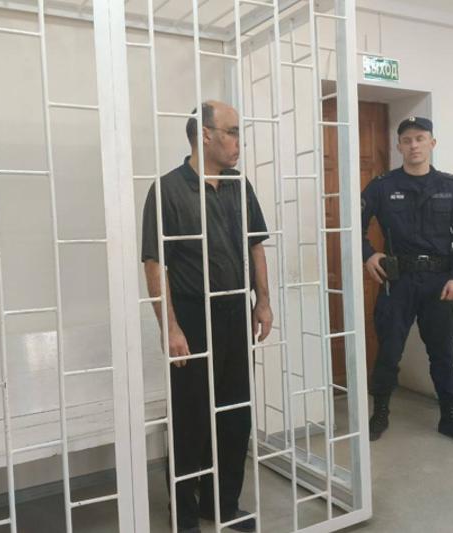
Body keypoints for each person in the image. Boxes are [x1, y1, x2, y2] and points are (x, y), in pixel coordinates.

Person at [141, 101, 273, 533]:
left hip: (235, 312)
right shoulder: (167, 190)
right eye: (232, 131)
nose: (238, 141)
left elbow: (255, 245)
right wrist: (170, 326)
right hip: (193, 317)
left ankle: (222, 506)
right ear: (205, 135)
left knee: (234, 416)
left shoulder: (239, 185)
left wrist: (263, 301)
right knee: (191, 418)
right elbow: (154, 263)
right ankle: (183, 514)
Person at [361, 116, 453, 448]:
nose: (414, 145)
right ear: (399, 146)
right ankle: (380, 413)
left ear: (432, 143)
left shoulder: (450, 186)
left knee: (442, 354)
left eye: (420, 138)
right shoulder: (382, 186)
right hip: (397, 281)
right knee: (388, 352)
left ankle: (450, 417)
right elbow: (351, 224)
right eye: (407, 140)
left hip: (439, 283)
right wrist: (368, 254)